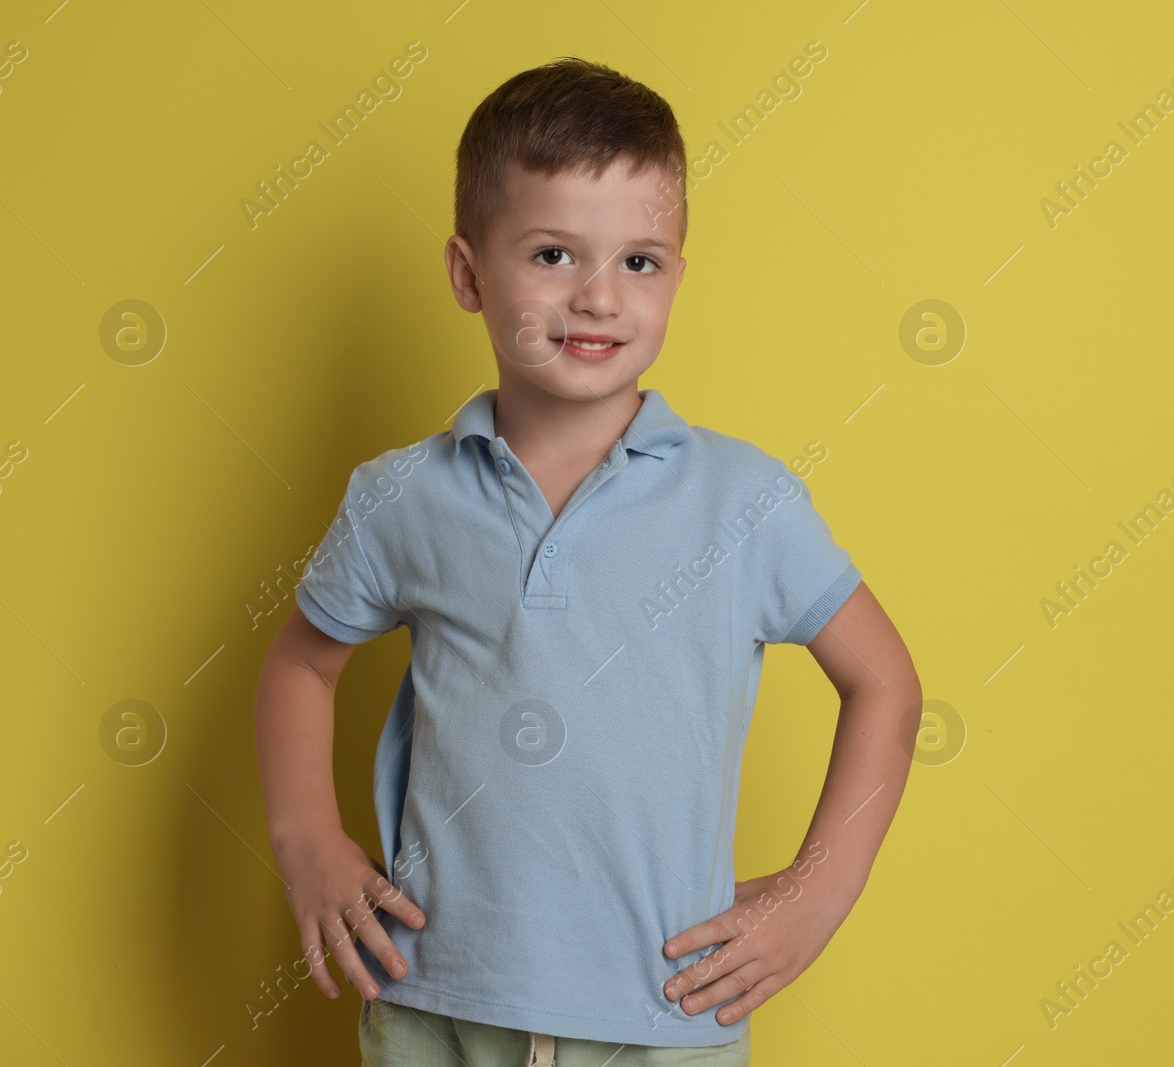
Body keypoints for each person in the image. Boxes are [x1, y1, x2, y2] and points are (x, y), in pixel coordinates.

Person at [254, 55, 919, 1067]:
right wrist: (307, 837)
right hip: (434, 1005)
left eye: (639, 262)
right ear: (470, 274)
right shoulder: (400, 497)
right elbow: (301, 665)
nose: (599, 297)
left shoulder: (743, 500)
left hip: (665, 1017)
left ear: (677, 276)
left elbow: (885, 682)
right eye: (555, 254)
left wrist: (816, 889)